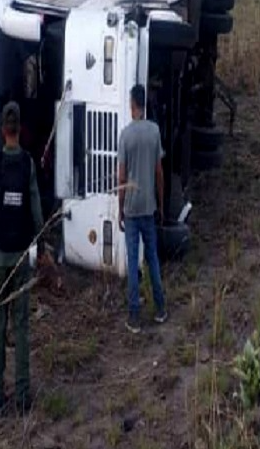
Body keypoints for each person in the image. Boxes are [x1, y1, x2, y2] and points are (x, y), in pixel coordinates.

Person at [0, 101, 44, 415]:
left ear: (3, 130)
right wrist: (39, 245)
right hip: (20, 257)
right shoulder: (28, 164)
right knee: (21, 325)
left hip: (0, 255)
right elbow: (36, 209)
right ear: (20, 130)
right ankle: (23, 394)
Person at [118, 84, 167, 334]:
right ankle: (160, 309)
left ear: (132, 105)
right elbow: (159, 172)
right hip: (149, 207)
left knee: (133, 262)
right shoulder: (155, 131)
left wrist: (120, 210)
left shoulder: (125, 135)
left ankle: (134, 318)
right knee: (153, 260)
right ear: (144, 104)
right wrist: (160, 203)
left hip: (131, 209)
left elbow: (121, 178)